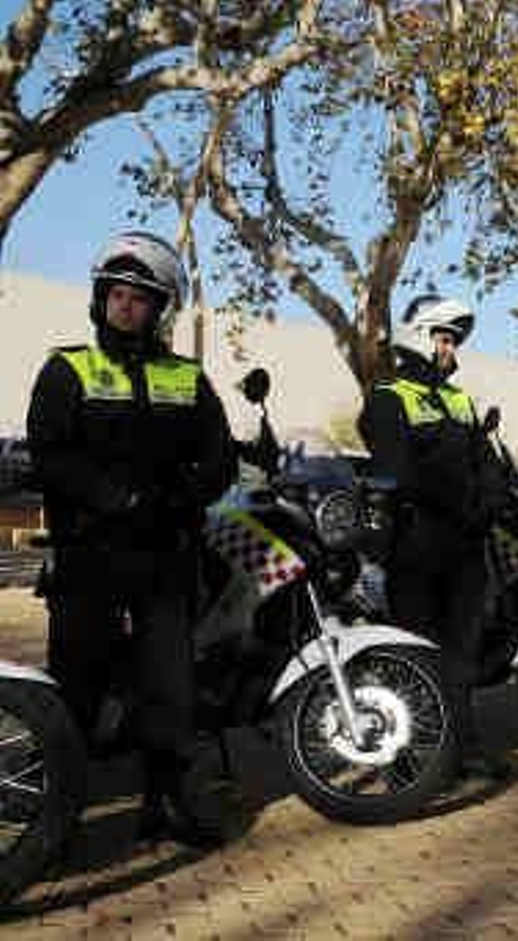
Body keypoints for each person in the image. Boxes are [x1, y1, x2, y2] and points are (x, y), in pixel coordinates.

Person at [27, 231, 237, 845]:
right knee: (76, 689)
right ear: (100, 300)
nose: (125, 306)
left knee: (170, 689)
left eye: (139, 298)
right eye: (116, 295)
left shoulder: (186, 377)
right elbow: (49, 455)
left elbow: (219, 459)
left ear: (158, 309)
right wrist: (115, 498)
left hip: (165, 559)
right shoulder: (67, 369)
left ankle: (165, 805)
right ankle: (55, 821)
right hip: (89, 558)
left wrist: (180, 499)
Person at [359, 295, 506, 776]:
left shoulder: (461, 400)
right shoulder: (387, 396)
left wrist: (488, 503)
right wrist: (459, 503)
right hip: (415, 541)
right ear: (420, 337)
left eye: (453, 341)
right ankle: (411, 759)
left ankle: (463, 748)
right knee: (415, 651)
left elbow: (488, 464)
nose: (450, 348)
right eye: (443, 338)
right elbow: (399, 470)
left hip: (466, 544)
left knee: (462, 653)